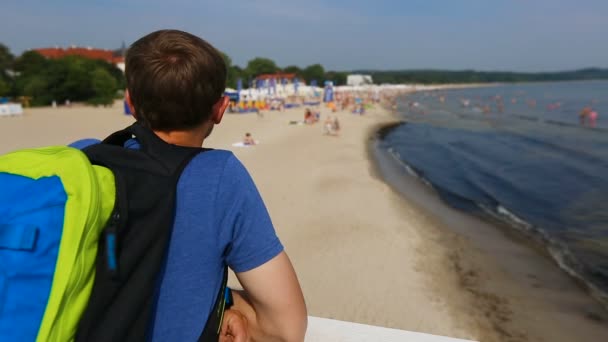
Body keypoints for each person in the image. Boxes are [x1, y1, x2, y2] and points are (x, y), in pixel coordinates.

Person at [71, 30, 307, 341]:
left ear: (130, 102)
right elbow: (286, 329)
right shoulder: (219, 176)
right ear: (220, 109)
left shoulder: (80, 157)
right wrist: (223, 302)